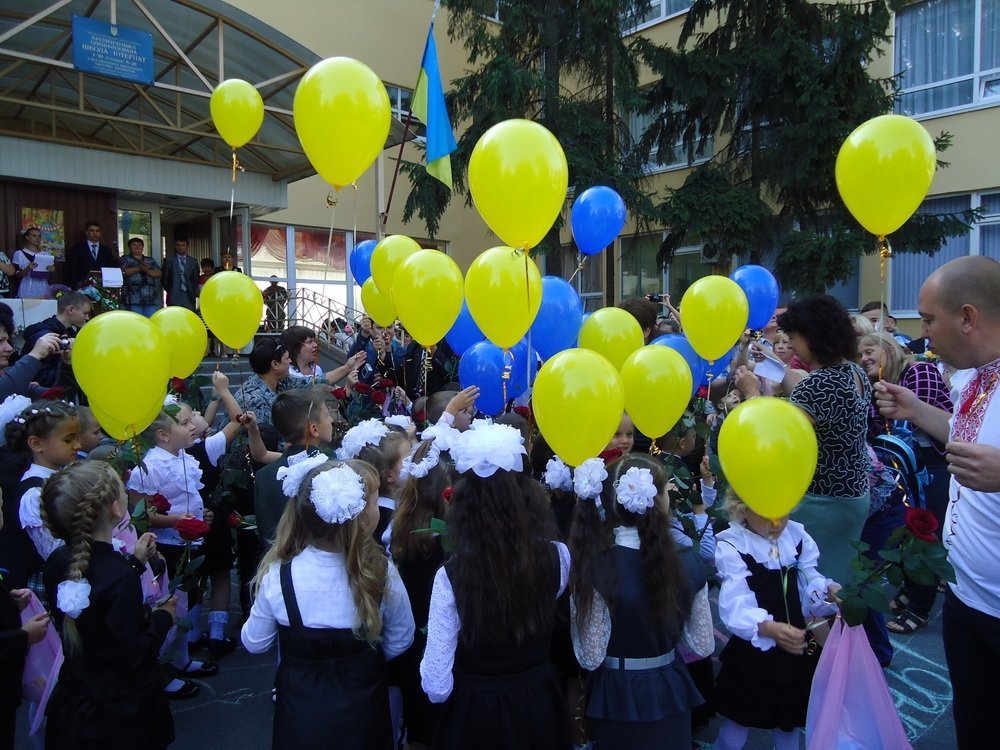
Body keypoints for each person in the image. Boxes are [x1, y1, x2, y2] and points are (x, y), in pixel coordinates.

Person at [873, 255, 1000, 749]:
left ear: (967, 318)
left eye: (928, 320)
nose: (922, 335)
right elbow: (967, 440)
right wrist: (919, 410)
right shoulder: (972, 375)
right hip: (968, 600)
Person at [241, 458, 415, 749]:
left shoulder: (279, 575)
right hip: (363, 715)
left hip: (301, 720)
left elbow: (254, 642)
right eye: (372, 502)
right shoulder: (382, 572)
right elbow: (402, 637)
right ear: (359, 515)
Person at [420, 422, 571, 749]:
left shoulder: (451, 577)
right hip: (539, 706)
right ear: (526, 496)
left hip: (476, 714)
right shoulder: (558, 557)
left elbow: (436, 685)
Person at [569, 454, 707, 749]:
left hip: (616, 692)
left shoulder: (595, 568)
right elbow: (703, 644)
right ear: (657, 502)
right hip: (669, 686)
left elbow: (590, 656)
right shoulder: (689, 562)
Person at [41, 460, 177, 749]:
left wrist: (135, 564)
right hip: (121, 710)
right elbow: (135, 651)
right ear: (116, 508)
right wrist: (163, 617)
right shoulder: (119, 576)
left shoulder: (57, 563)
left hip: (75, 698)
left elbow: (97, 596)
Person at [712, 491, 840, 750]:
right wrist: (766, 627)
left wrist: (828, 589)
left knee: (789, 723)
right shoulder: (733, 545)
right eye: (765, 515)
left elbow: (808, 578)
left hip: (794, 645)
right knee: (738, 723)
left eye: (783, 513)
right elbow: (736, 600)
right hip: (755, 648)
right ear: (741, 509)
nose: (776, 523)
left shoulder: (796, 537)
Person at [771, 296, 871, 587]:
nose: (791, 345)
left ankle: (823, 634)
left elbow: (781, 438)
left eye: (794, 338)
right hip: (853, 492)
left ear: (812, 337)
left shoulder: (821, 383)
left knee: (814, 585)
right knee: (841, 576)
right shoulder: (854, 372)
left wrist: (753, 396)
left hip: (822, 498)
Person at [391, 437, 456, 750]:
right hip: (444, 652)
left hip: (416, 651)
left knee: (423, 727)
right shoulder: (443, 543)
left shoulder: (405, 531)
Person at [254, 389, 336, 546]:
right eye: (326, 415)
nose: (331, 420)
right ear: (314, 429)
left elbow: (265, 532)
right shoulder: (330, 467)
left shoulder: (264, 475)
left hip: (279, 564)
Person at [238, 338, 365, 428]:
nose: (290, 362)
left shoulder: (283, 381)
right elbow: (265, 442)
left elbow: (315, 381)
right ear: (275, 365)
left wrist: (348, 367)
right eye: (287, 358)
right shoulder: (255, 399)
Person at [336, 419, 411, 547]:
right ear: (389, 476)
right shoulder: (384, 518)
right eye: (408, 459)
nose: (414, 462)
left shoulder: (393, 504)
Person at [19, 290, 92, 388]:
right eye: (85, 313)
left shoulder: (69, 333)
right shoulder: (44, 337)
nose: (87, 318)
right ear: (71, 310)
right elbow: (40, 378)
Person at [0, 311, 64, 400]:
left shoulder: (9, 378)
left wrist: (66, 363)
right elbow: (3, 391)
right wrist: (35, 355)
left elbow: (56, 395)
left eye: (7, 341)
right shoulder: (10, 382)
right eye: (0, 341)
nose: (9, 348)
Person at [66, 221, 117, 289]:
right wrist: (75, 286)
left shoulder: (107, 250)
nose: (95, 233)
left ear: (100, 233)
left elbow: (110, 268)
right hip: (82, 286)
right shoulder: (77, 249)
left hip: (102, 287)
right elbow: (73, 270)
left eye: (97, 231)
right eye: (92, 231)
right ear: (86, 232)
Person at [119, 237, 162, 316]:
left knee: (150, 322)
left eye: (139, 245)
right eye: (134, 245)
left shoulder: (150, 260)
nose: (137, 247)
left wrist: (146, 270)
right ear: (129, 247)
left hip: (150, 298)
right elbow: (122, 273)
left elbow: (158, 273)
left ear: (143, 247)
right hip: (132, 297)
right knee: (135, 322)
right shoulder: (124, 259)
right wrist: (139, 268)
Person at [161, 237, 200, 311]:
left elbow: (196, 279)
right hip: (174, 294)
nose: (180, 247)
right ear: (175, 246)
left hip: (189, 294)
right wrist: (171, 289)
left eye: (183, 245)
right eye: (178, 245)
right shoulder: (169, 260)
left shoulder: (193, 261)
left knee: (189, 317)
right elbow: (164, 279)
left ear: (187, 246)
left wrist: (192, 289)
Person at [13, 227, 52, 299]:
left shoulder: (46, 255)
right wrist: (28, 268)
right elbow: (17, 275)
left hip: (43, 288)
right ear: (27, 237)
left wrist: (50, 270)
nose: (37, 238)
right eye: (34, 236)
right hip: (27, 288)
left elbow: (49, 277)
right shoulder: (19, 254)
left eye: (39, 236)